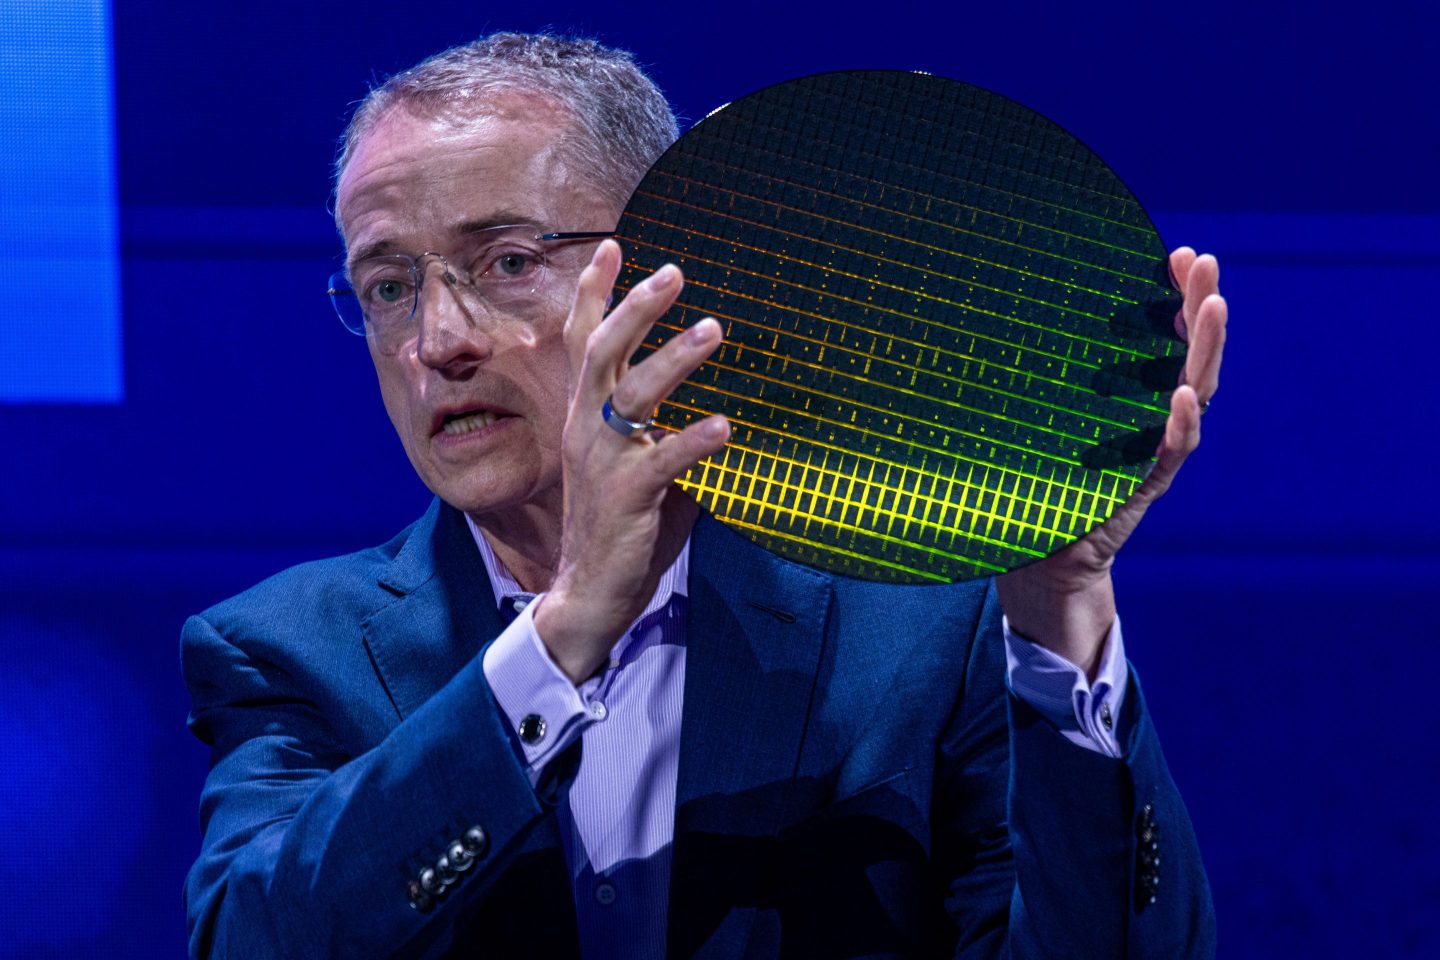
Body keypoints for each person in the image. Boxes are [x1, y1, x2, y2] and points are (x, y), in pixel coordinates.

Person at [182, 33, 1225, 959]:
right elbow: (249, 939)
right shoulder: (288, 651)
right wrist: (559, 637)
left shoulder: (918, 626)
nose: (437, 342)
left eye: (503, 261)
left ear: (677, 274)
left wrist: (1059, 606)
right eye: (387, 286)